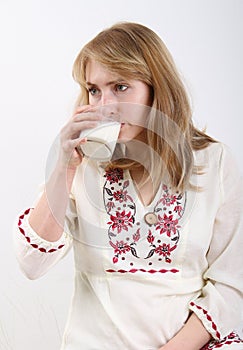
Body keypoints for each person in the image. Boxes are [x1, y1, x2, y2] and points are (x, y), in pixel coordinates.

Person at [14, 22, 243, 350]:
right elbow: (31, 264)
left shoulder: (214, 162)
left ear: (156, 89)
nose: (103, 104)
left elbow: (231, 284)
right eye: (94, 90)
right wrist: (64, 167)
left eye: (120, 87)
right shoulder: (82, 164)